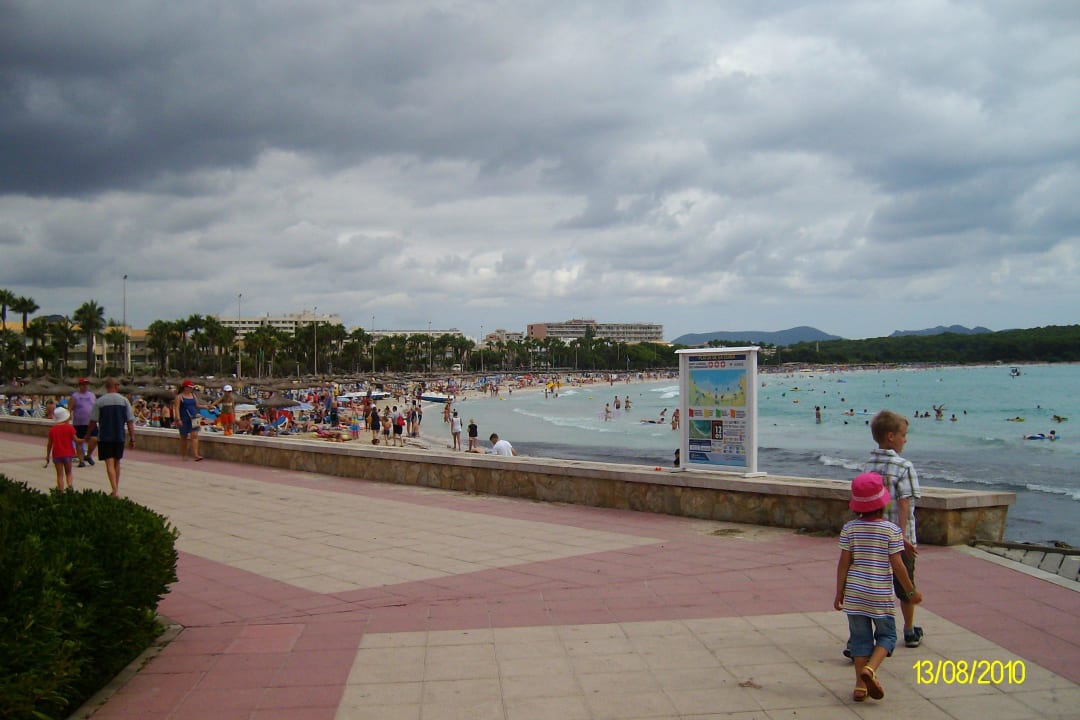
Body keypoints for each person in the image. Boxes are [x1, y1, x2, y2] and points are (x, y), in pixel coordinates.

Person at [835, 472, 922, 702]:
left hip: (854, 594)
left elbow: (844, 563)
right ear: (884, 503)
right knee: (887, 636)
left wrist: (839, 592)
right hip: (879, 595)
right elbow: (898, 566)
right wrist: (911, 591)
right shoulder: (892, 530)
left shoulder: (850, 529)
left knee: (860, 640)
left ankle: (859, 687)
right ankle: (870, 670)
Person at [864, 410, 923, 648]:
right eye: (903, 435)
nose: (905, 439)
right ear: (891, 436)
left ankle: (866, 632)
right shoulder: (903, 466)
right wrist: (902, 535)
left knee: (875, 584)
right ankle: (908, 629)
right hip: (899, 537)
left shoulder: (868, 465)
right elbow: (904, 502)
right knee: (905, 581)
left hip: (873, 536)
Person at [87, 377, 136, 497]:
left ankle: (114, 490)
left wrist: (87, 434)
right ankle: (116, 488)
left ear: (106, 387)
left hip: (105, 436)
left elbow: (93, 421)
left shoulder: (100, 401)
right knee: (117, 462)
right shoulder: (124, 401)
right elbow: (130, 421)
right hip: (119, 436)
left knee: (109, 463)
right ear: (116, 386)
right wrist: (132, 438)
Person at [46, 406, 78, 491]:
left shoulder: (52, 430)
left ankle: (60, 491)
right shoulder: (70, 428)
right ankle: (70, 485)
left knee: (59, 475)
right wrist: (84, 439)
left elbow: (49, 444)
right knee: (69, 472)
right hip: (68, 454)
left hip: (57, 454)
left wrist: (47, 456)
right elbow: (76, 440)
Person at [174, 380, 206, 461]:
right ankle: (184, 455)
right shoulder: (179, 397)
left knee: (195, 435)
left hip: (194, 418)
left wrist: (206, 407)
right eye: (190, 387)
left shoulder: (193, 395)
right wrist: (178, 419)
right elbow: (176, 408)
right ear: (185, 388)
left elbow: (197, 405)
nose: (191, 389)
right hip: (184, 418)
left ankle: (196, 455)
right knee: (184, 437)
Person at [69, 377, 97, 467]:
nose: (85, 386)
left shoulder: (92, 395)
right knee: (79, 441)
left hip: (91, 422)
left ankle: (88, 456)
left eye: (87, 384)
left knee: (94, 439)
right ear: (80, 386)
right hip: (79, 423)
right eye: (83, 384)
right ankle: (81, 461)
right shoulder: (75, 396)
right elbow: (69, 409)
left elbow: (95, 407)